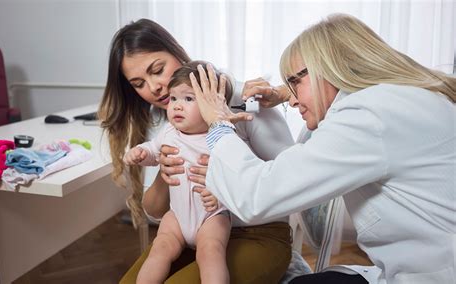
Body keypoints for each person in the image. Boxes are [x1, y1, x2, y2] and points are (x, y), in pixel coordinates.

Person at [191, 14, 456, 284]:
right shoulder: (401, 96)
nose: (292, 101)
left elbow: (256, 196)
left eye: (295, 82)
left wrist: (218, 123)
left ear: (329, 67)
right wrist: (287, 91)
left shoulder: (367, 116)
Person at [97, 19, 296, 283]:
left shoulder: (245, 102)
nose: (153, 87)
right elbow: (154, 210)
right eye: (138, 83)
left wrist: (225, 186)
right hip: (189, 234)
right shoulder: (173, 122)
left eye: (157, 70)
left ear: (177, 52)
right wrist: (164, 173)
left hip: (258, 233)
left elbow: (291, 182)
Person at [123, 61, 233, 283]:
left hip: (212, 216)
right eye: (174, 98)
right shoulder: (170, 131)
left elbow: (238, 176)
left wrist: (220, 193)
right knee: (160, 248)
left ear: (214, 107)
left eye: (188, 99)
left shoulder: (222, 136)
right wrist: (140, 153)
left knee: (210, 253)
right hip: (177, 215)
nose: (177, 106)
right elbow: (154, 151)